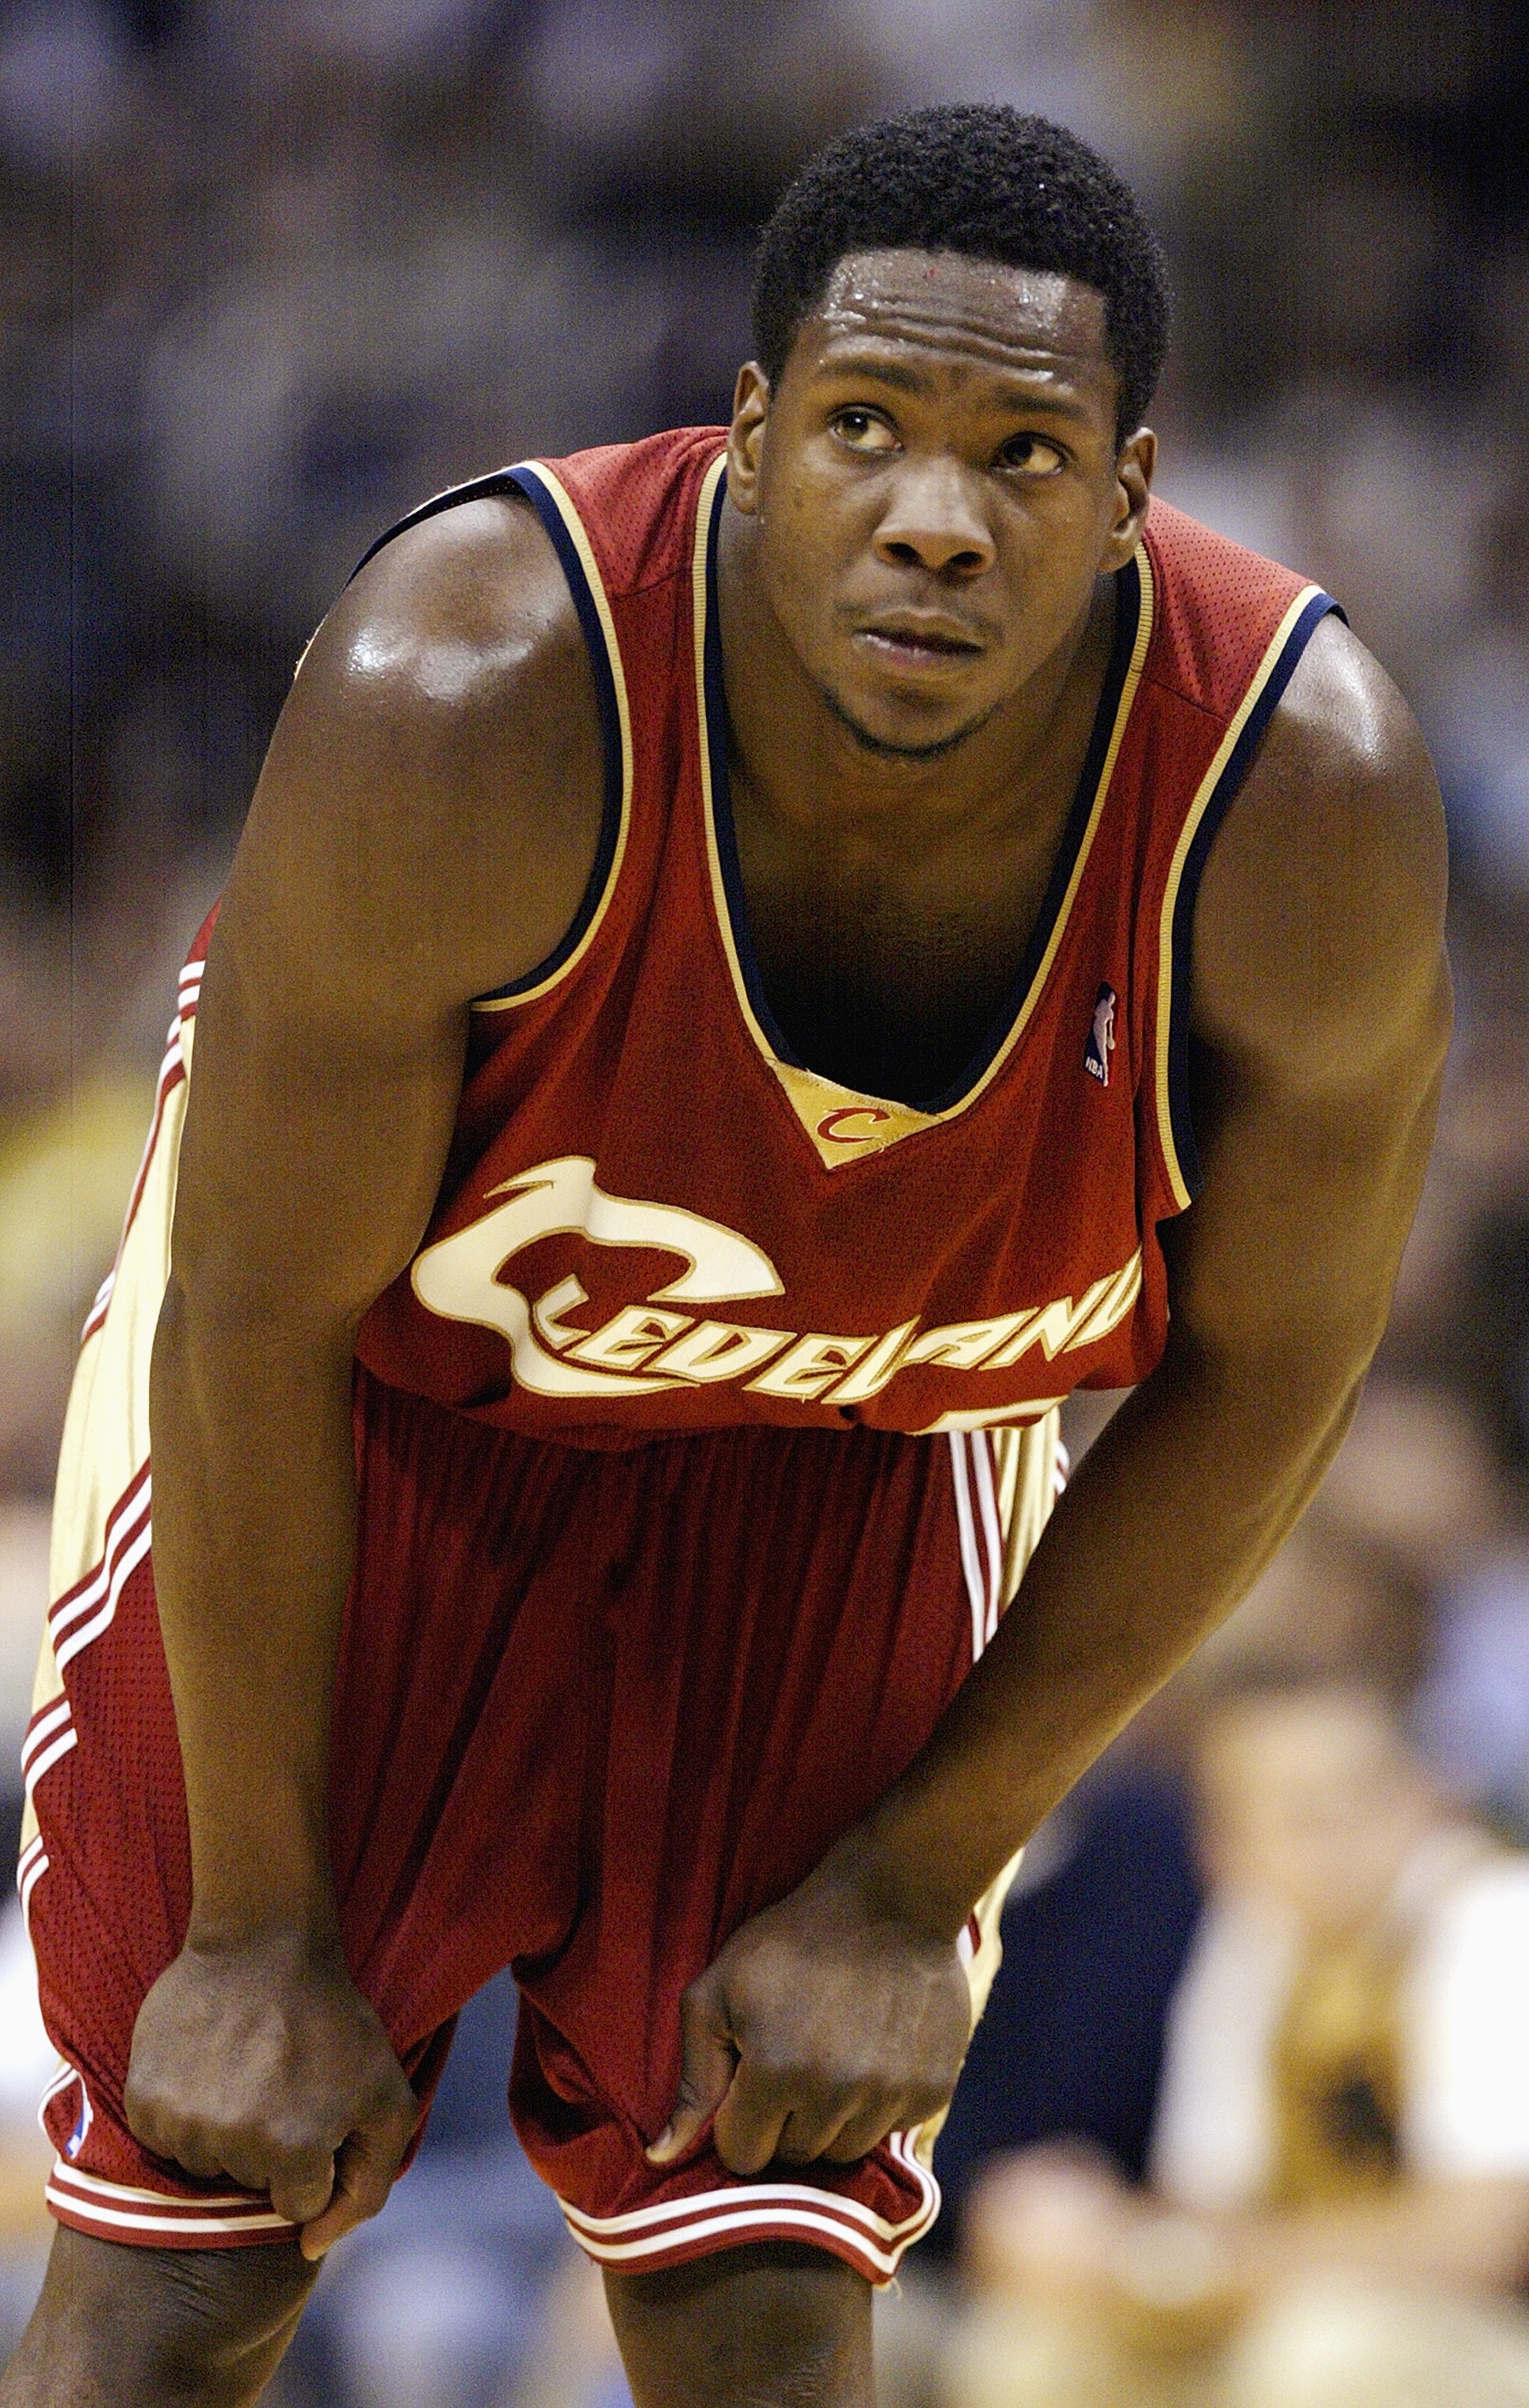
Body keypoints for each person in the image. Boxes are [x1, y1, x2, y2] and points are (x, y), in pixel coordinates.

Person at [1, 103, 1449, 2408]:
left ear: (1129, 492)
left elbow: (1274, 1371)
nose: (933, 514)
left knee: (762, 2293)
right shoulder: (471, 684)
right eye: (865, 426)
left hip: (845, 1459)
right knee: (187, 2253)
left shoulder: (1296, 794)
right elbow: (254, 1317)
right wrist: (257, 1930)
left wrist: (908, 1883)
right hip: (379, 1429)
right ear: (751, 434)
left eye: (1021, 453)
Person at [955, 1675, 1529, 2408]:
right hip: (1297, 2303)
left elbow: (1482, 2243)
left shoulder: (1497, 1918)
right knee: (1033, 2350)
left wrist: (1169, 2266)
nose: (1331, 1840)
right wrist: (1086, 2238)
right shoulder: (1253, 1937)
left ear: (1425, 1799)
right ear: (1220, 1847)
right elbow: (1208, 2203)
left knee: (1323, 2357)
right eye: (1290, 1815)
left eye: (1354, 1800)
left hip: (1488, 2328)